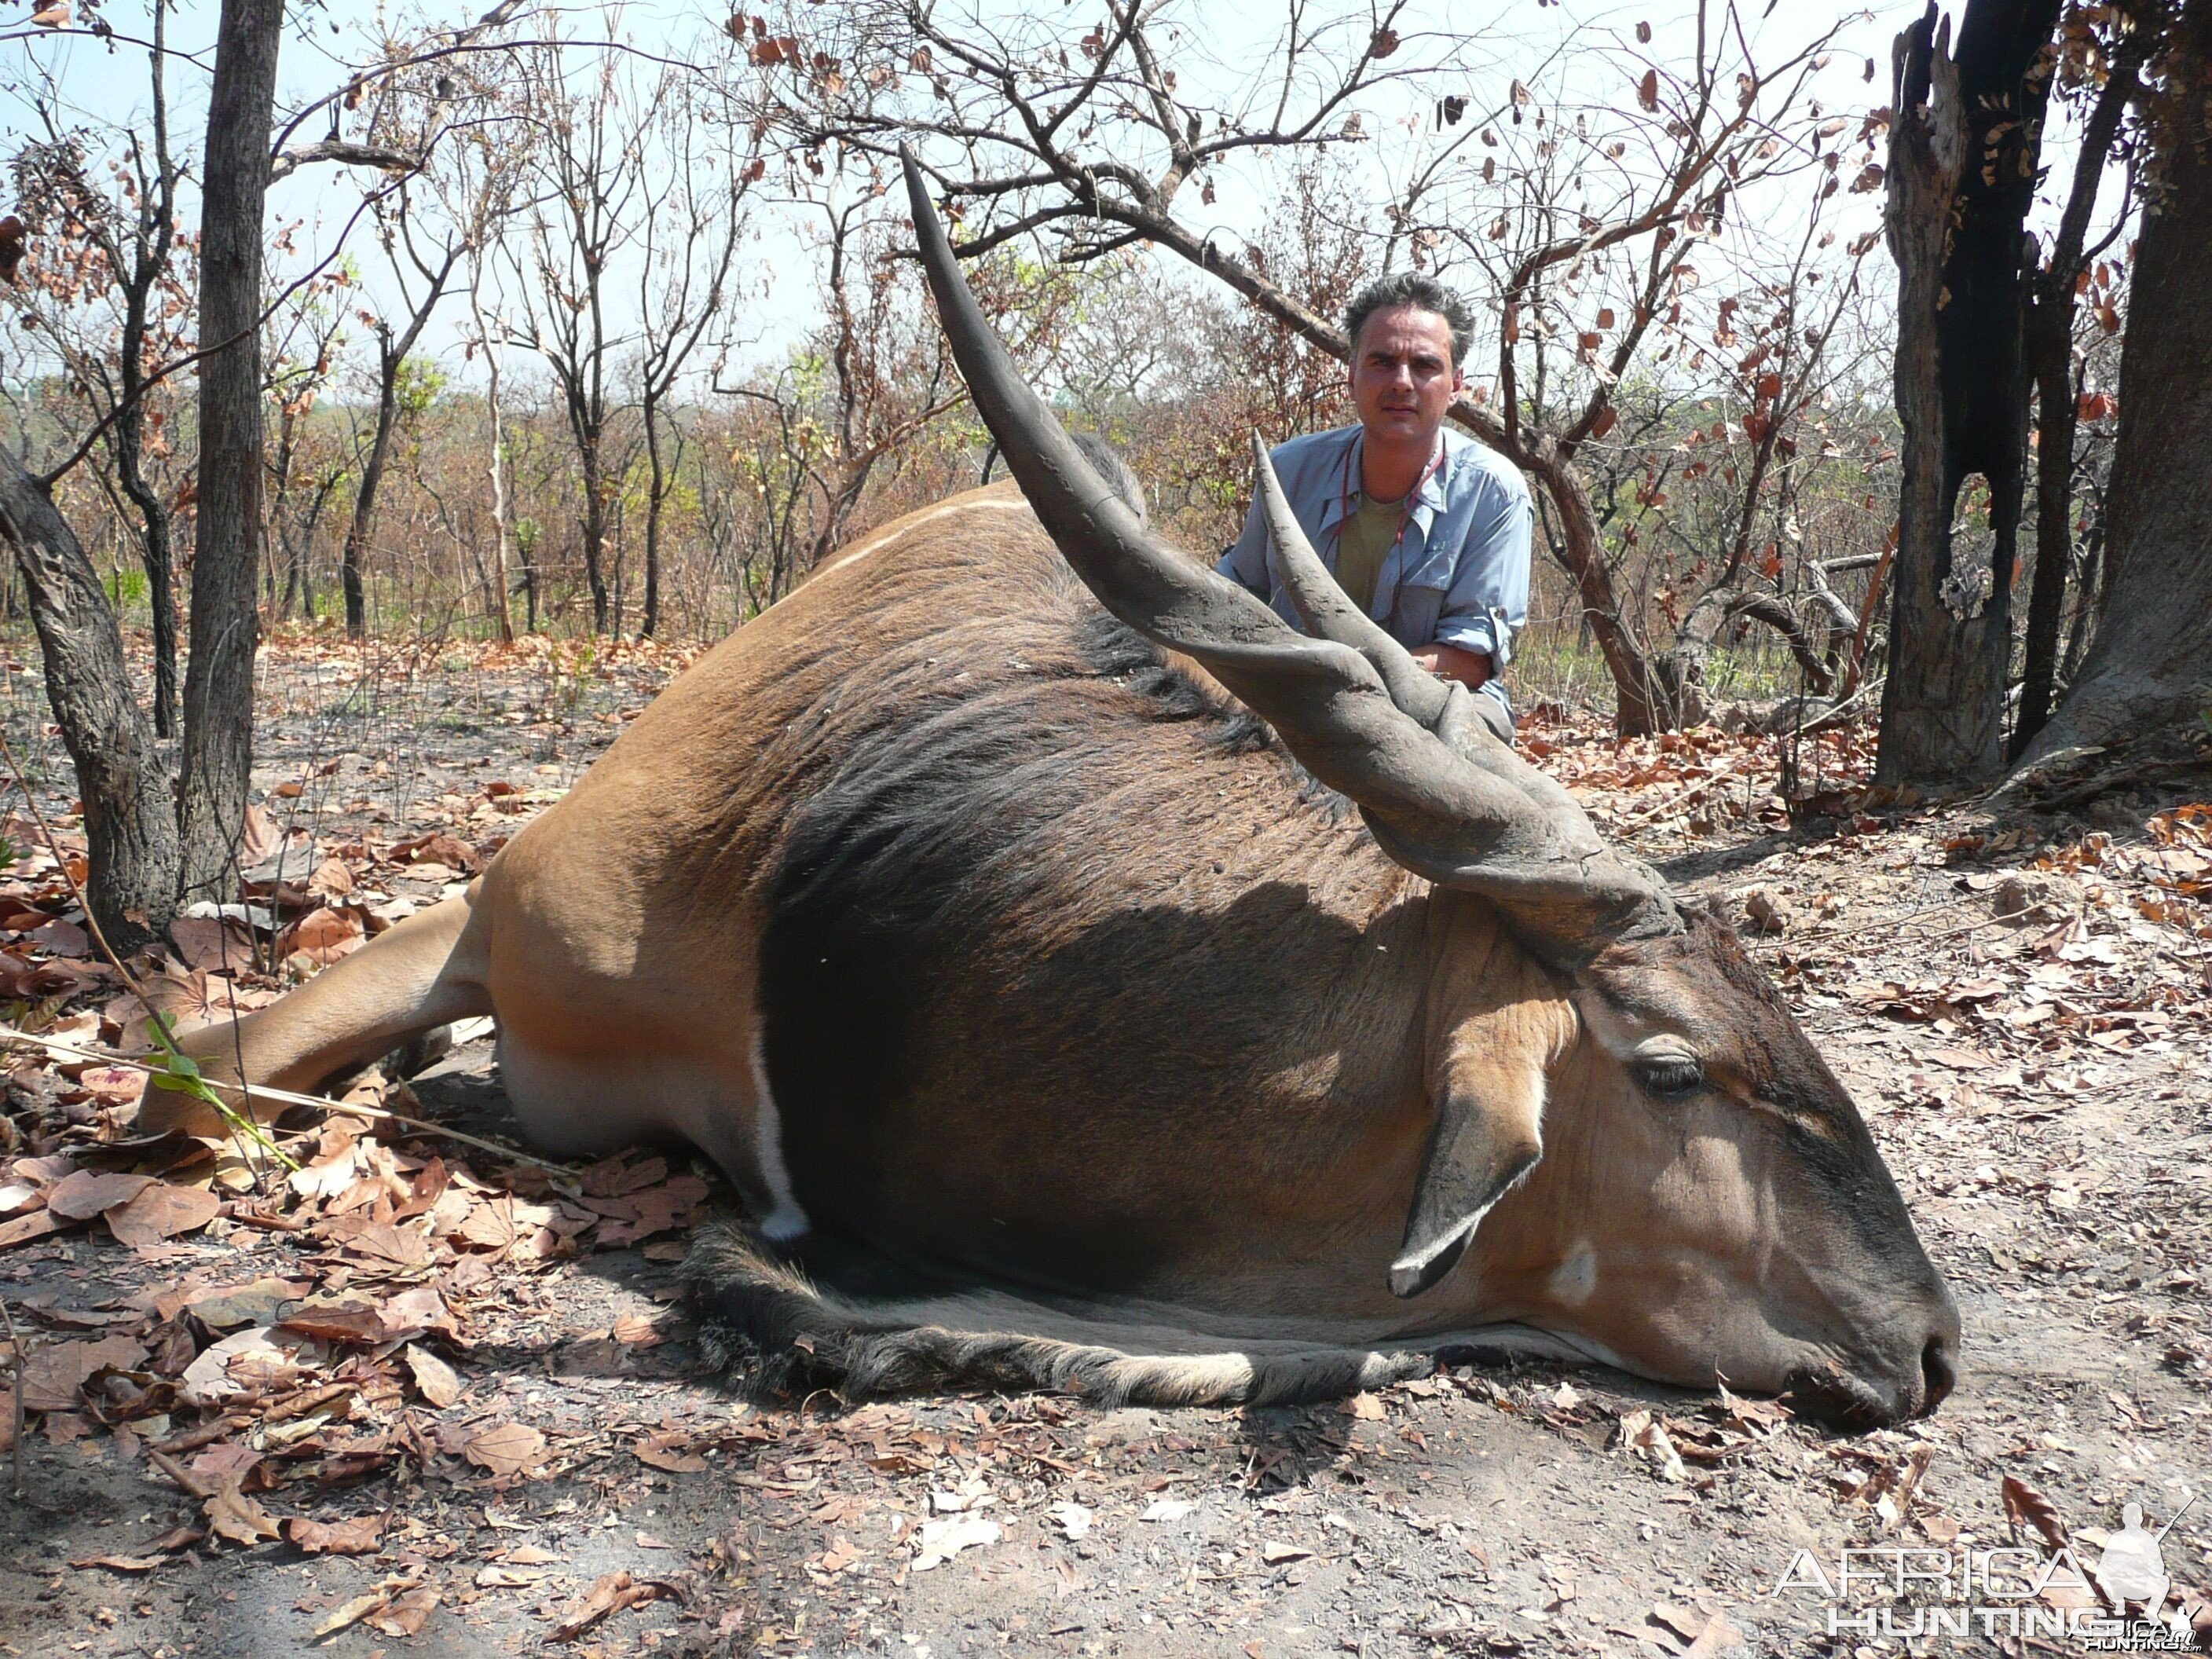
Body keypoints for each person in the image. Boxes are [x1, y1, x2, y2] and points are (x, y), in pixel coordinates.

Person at [1220, 272, 1532, 741]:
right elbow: (1235, 594)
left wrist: (1347, 682)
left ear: (1456, 385)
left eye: (1425, 365)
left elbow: (1470, 658)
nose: (1402, 383)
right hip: (1285, 695)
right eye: (1382, 362)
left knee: (1474, 732)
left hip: (1421, 704)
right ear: (1352, 375)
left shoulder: (1495, 491)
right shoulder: (1288, 471)